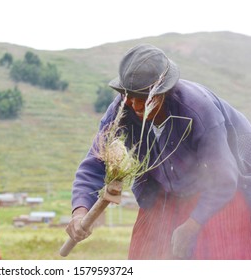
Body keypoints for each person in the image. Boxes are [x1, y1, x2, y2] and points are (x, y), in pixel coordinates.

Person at [66, 44, 251, 259]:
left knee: (217, 253)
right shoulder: (120, 110)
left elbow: (223, 178)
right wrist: (79, 212)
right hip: (164, 188)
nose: (134, 105)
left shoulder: (198, 110)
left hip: (224, 185)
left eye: (143, 98)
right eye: (129, 96)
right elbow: (94, 164)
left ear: (164, 92)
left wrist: (192, 225)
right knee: (147, 255)